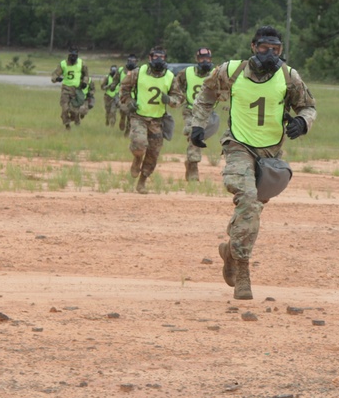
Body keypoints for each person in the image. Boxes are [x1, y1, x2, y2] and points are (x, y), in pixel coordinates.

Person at [190, 26, 317, 300]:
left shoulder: (288, 76)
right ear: (252, 47)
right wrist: (198, 124)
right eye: (264, 48)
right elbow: (207, 93)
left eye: (276, 49)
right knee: (247, 200)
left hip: (270, 157)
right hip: (237, 146)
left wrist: (301, 122)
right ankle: (243, 273)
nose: (270, 54)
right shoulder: (231, 71)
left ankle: (230, 251)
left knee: (251, 214)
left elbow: (308, 106)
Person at [118, 46, 180, 194]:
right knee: (139, 143)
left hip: (158, 121)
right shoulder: (137, 73)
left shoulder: (170, 77)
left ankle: (142, 182)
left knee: (153, 153)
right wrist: (128, 101)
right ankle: (137, 158)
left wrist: (170, 100)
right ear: (150, 58)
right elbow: (124, 88)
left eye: (162, 57)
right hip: (139, 116)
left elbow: (179, 97)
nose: (158, 60)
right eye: (155, 57)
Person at [169, 47, 216, 181]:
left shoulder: (215, 73)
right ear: (197, 59)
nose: (205, 61)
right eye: (202, 58)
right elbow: (176, 88)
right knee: (193, 132)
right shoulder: (186, 73)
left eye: (207, 58)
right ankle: (194, 168)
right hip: (191, 110)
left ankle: (189, 161)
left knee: (197, 138)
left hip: (208, 112)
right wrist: (178, 99)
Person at [50, 47, 89, 130]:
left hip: (77, 90)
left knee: (74, 110)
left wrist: (85, 82)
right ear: (68, 55)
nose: (73, 58)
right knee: (65, 108)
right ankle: (67, 125)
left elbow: (86, 74)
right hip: (66, 89)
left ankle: (75, 117)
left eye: (75, 56)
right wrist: (56, 79)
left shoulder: (81, 63)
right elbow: (55, 74)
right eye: (72, 55)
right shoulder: (63, 64)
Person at [117, 54, 139, 133]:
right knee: (123, 111)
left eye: (133, 61)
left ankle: (127, 130)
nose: (131, 63)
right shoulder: (121, 71)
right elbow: (115, 81)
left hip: (134, 97)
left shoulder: (139, 72)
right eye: (130, 61)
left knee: (131, 115)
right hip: (123, 96)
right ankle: (122, 118)